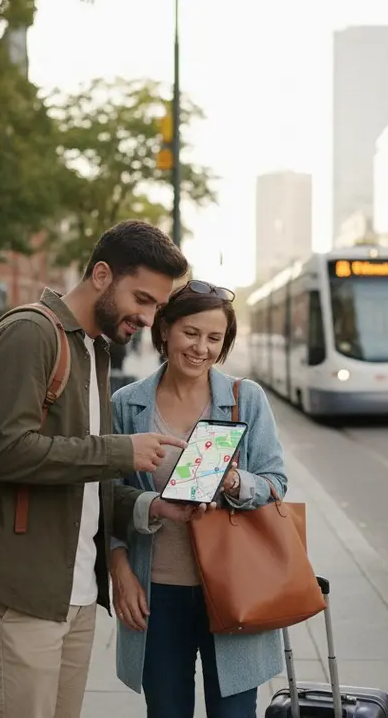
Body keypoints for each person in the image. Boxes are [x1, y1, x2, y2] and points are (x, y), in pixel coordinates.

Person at [0, 220, 212, 718]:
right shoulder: (30, 333)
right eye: (142, 299)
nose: (148, 318)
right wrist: (120, 451)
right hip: (18, 589)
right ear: (102, 275)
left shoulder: (93, 350)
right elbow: (2, 452)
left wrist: (152, 506)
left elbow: (84, 479)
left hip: (75, 591)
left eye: (157, 306)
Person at [110, 279, 287, 718]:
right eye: (190, 333)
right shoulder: (127, 405)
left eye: (214, 338)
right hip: (156, 592)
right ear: (165, 329)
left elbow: (275, 482)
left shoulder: (246, 399)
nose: (201, 348)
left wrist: (234, 483)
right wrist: (120, 572)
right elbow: (105, 496)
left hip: (232, 590)